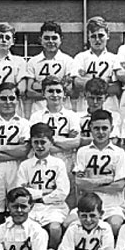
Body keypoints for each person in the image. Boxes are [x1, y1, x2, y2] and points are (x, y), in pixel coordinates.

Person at [72, 110, 125, 237]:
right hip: (88, 203)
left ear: (111, 129)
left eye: (104, 128)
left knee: (115, 224)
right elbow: (79, 183)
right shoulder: (83, 151)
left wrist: (90, 184)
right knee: (67, 223)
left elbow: (119, 186)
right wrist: (103, 181)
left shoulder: (119, 152)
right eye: (96, 128)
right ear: (90, 128)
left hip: (113, 205)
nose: (101, 132)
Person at [0, 83, 31, 230]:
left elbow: (24, 151)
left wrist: (0, 148)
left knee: (17, 214)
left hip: (16, 172)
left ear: (17, 100)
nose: (8, 102)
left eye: (12, 98)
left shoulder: (24, 124)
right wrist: (14, 152)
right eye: (4, 98)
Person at [15, 123, 70, 249]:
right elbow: (20, 192)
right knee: (27, 228)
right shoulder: (25, 165)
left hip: (54, 207)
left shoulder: (58, 164)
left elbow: (62, 192)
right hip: (33, 207)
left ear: (51, 142)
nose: (39, 146)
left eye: (43, 142)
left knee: (55, 228)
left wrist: (35, 194)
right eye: (36, 142)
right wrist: (44, 193)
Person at [29, 77, 81, 207]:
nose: (55, 95)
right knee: (45, 194)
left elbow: (75, 142)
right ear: (44, 94)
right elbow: (36, 145)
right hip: (43, 161)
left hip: (67, 160)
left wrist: (50, 140)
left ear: (64, 94)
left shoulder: (72, 115)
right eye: (50, 91)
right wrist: (64, 140)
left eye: (58, 91)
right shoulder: (37, 116)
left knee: (67, 197)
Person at [25, 21, 77, 116]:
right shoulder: (33, 62)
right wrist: (58, 88)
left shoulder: (69, 61)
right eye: (46, 38)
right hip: (39, 111)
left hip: (63, 111)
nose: (51, 41)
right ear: (41, 40)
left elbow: (69, 89)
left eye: (54, 38)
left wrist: (39, 85)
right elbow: (29, 91)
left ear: (60, 39)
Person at [72, 16, 120, 113]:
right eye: (93, 36)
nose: (97, 40)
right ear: (88, 38)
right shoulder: (80, 57)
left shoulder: (115, 58)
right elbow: (77, 83)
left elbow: (116, 87)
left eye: (101, 36)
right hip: (85, 107)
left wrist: (88, 83)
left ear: (108, 35)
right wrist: (104, 83)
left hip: (109, 106)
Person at [77, 78, 121, 147]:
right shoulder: (77, 117)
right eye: (91, 98)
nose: (95, 102)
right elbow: (75, 141)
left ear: (105, 97)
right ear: (85, 96)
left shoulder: (114, 116)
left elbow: (113, 141)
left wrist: (84, 140)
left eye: (99, 98)